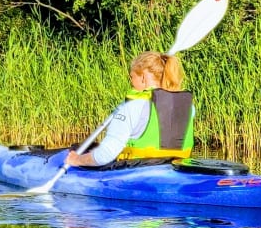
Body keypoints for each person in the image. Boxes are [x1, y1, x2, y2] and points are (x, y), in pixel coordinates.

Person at [66, 50, 195, 169]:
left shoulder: (132, 106)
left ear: (143, 77)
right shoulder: (188, 107)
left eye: (132, 77)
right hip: (176, 171)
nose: (131, 82)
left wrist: (77, 160)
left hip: (137, 174)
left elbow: (105, 154)